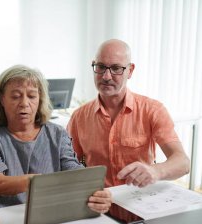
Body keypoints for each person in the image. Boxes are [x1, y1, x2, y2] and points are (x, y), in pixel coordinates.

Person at [0, 65, 112, 211]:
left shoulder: (57, 134)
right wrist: (41, 182)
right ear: (2, 99)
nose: (24, 103)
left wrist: (95, 189)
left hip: (48, 214)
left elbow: (74, 171)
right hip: (2, 220)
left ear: (40, 99)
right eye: (15, 96)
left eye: (32, 96)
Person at [67, 39, 190, 188]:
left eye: (116, 68)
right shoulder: (79, 117)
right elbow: (69, 166)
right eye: (100, 67)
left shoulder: (152, 110)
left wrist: (155, 171)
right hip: (98, 206)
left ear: (130, 71)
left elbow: (183, 163)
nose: (106, 76)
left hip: (140, 205)